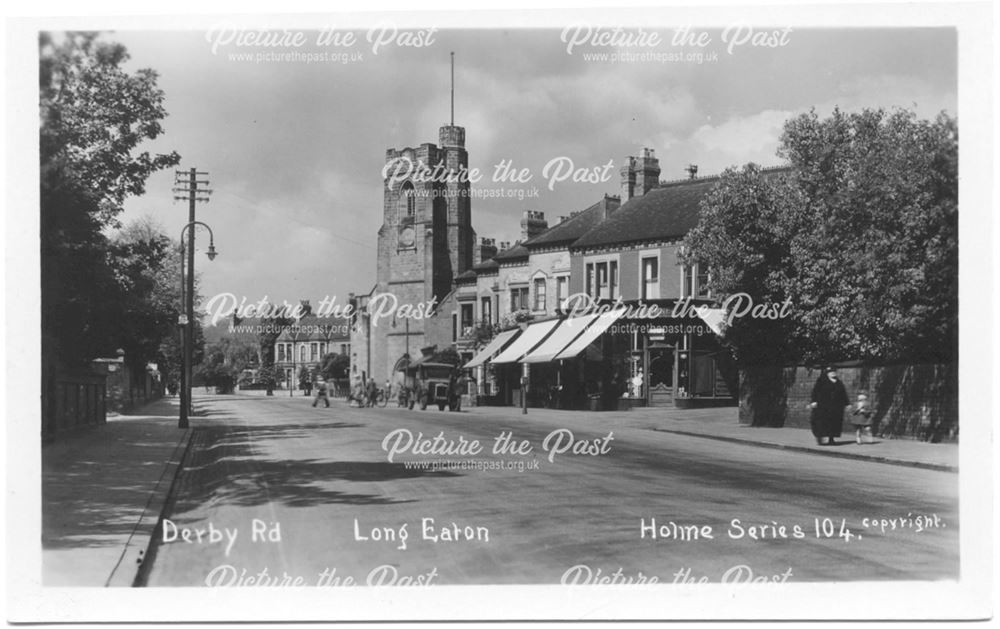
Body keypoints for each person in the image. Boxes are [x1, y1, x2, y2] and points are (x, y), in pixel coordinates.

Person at [809, 366, 850, 446]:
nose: (833, 373)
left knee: (834, 422)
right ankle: (820, 437)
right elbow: (815, 391)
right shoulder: (821, 381)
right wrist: (814, 401)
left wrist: (847, 403)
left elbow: (843, 394)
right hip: (823, 406)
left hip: (836, 407)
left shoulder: (839, 382)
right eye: (831, 372)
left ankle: (831, 439)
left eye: (834, 371)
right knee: (822, 422)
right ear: (827, 373)